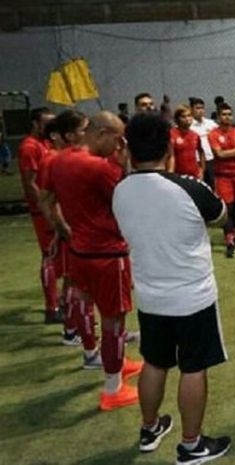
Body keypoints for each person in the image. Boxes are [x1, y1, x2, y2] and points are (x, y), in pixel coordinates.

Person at [113, 112, 231, 465]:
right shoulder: (188, 187)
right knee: (193, 367)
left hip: (150, 296)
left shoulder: (120, 190)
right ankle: (192, 445)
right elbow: (222, 216)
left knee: (156, 361)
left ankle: (150, 428)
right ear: (168, 147)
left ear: (129, 149)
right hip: (191, 297)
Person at [40, 111, 143, 411]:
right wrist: (123, 165)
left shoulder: (56, 160)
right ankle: (113, 388)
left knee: (83, 301)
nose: (120, 145)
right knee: (114, 319)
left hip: (80, 250)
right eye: (118, 139)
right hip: (108, 253)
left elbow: (46, 199)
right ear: (102, 134)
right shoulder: (99, 168)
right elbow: (125, 202)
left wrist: (64, 231)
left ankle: (111, 361)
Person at [37, 112, 95, 348]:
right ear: (66, 135)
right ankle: (73, 331)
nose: (88, 133)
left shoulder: (73, 158)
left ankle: (75, 328)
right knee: (75, 282)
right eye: (84, 129)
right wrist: (61, 229)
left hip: (78, 230)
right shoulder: (52, 160)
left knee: (76, 281)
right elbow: (46, 199)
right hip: (71, 232)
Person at [18, 107, 65, 324]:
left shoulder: (47, 144)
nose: (52, 126)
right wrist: (46, 211)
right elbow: (30, 183)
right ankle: (51, 308)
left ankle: (61, 301)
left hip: (54, 206)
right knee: (50, 255)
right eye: (47, 123)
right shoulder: (29, 147)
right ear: (36, 124)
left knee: (61, 256)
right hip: (42, 211)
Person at [207, 103, 235, 258]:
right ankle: (229, 241)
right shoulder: (213, 134)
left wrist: (229, 152)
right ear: (218, 117)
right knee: (228, 208)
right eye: (224, 114)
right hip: (223, 176)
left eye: (229, 114)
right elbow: (219, 155)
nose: (227, 117)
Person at [168, 105, 206, 179]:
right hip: (177, 175)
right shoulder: (171, 134)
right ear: (177, 119)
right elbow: (169, 156)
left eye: (189, 116)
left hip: (194, 175)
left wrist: (202, 170)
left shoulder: (195, 135)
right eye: (183, 116)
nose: (187, 119)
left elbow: (201, 152)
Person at [189, 97, 218, 189]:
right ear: (191, 109)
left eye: (202, 108)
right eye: (197, 108)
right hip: (195, 161)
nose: (200, 111)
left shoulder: (211, 124)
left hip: (210, 160)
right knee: (198, 186)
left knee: (213, 186)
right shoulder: (187, 125)